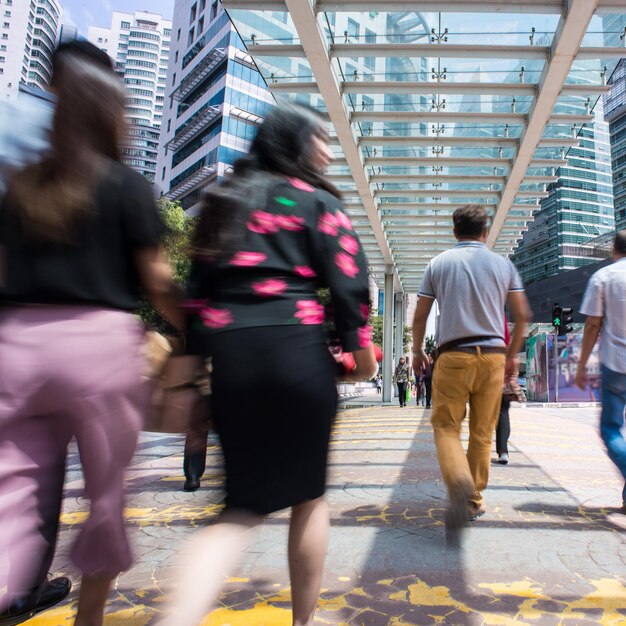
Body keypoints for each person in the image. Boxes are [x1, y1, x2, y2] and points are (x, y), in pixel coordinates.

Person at [157, 103, 377, 626]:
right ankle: (302, 621)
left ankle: (175, 619)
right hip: (295, 347)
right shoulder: (318, 203)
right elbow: (349, 284)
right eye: (319, 138)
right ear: (297, 145)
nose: (326, 149)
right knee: (310, 496)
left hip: (233, 359)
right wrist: (361, 354)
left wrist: (186, 376)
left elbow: (196, 297)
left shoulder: (224, 201)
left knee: (238, 510)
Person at [0, 44, 182, 625]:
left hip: (18, 347)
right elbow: (157, 280)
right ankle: (90, 620)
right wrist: (198, 326)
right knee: (106, 501)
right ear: (110, 113)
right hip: (100, 351)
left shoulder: (22, 186)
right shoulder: (126, 185)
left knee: (13, 493)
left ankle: (7, 589)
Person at [412, 204, 531, 536]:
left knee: (446, 428)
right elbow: (522, 315)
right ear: (486, 230)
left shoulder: (439, 263)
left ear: (455, 232)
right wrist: (512, 355)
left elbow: (420, 314)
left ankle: (461, 484)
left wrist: (417, 349)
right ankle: (472, 499)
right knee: (482, 433)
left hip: (452, 356)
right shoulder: (502, 264)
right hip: (493, 356)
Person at [575, 230, 626, 516]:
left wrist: (582, 364)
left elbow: (593, 324)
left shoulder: (604, 277)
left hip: (617, 364)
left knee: (610, 430)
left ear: (613, 250)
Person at [495, 317, 525, 465]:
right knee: (503, 416)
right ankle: (503, 451)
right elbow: (514, 369)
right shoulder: (511, 346)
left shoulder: (491, 344)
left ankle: (498, 450)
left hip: (491, 385)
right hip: (505, 388)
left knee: (485, 417)